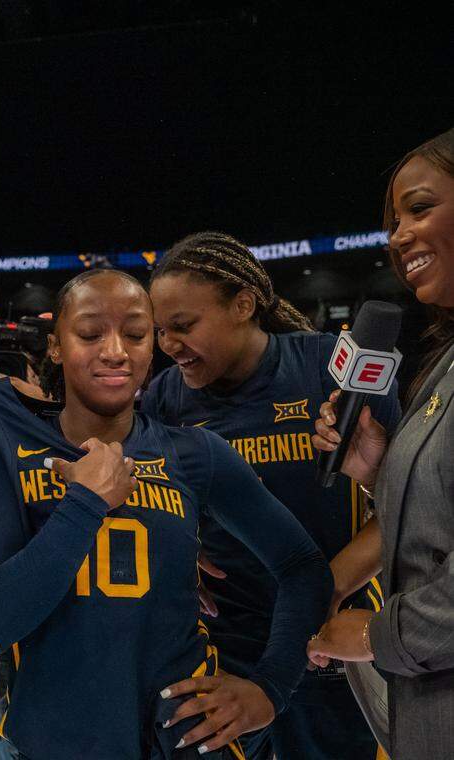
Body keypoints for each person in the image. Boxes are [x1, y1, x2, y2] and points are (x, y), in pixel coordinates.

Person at [0, 269, 332, 759]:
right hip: (51, 744)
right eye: (90, 334)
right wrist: (85, 504)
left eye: (136, 334)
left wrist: (270, 689)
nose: (115, 351)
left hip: (178, 742)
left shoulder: (195, 453)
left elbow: (302, 566)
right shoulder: (3, 452)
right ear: (55, 347)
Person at [142, 231, 402, 760]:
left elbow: (401, 508)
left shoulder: (332, 367)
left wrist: (323, 590)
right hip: (228, 646)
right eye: (160, 330)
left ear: (243, 305)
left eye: (183, 326)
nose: (168, 345)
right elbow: (152, 509)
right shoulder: (165, 398)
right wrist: (178, 551)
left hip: (332, 639)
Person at [308, 126, 454, 759]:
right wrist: (379, 472)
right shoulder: (444, 363)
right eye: (395, 221)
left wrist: (375, 635)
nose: (398, 236)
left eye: (419, 209)